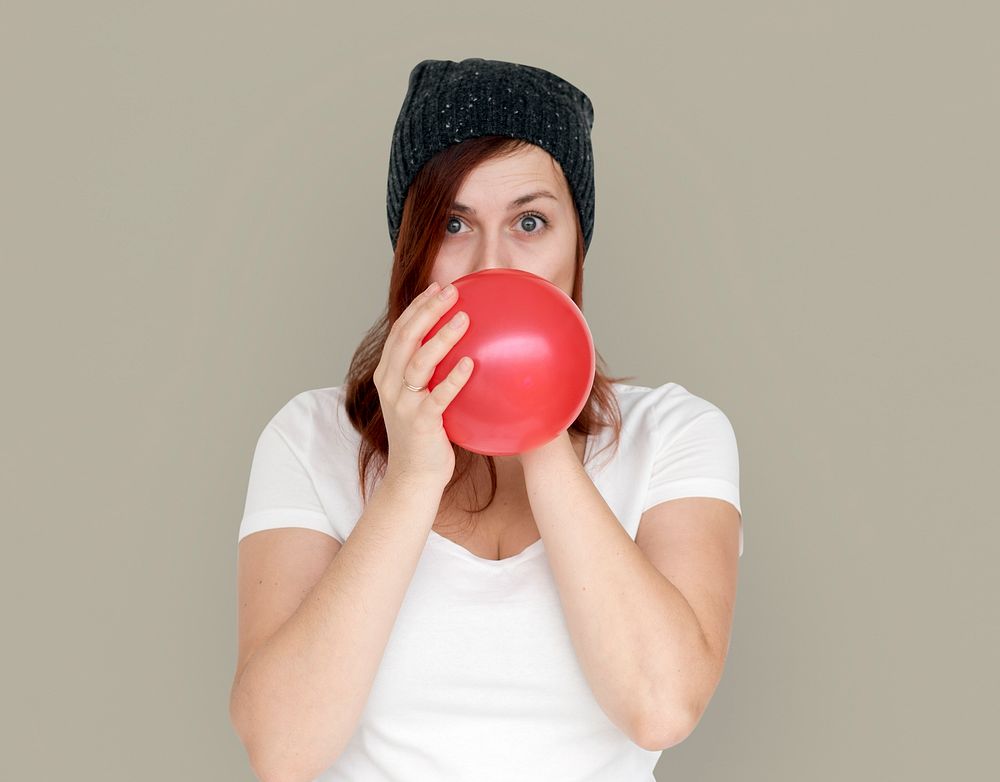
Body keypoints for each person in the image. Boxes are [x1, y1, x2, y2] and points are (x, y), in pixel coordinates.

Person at [229, 58, 743, 782]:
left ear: (577, 245)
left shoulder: (677, 436)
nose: (492, 262)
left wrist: (539, 428)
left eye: (530, 222)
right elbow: (281, 750)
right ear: (412, 248)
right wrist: (409, 480)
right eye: (453, 223)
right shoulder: (309, 439)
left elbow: (660, 706)